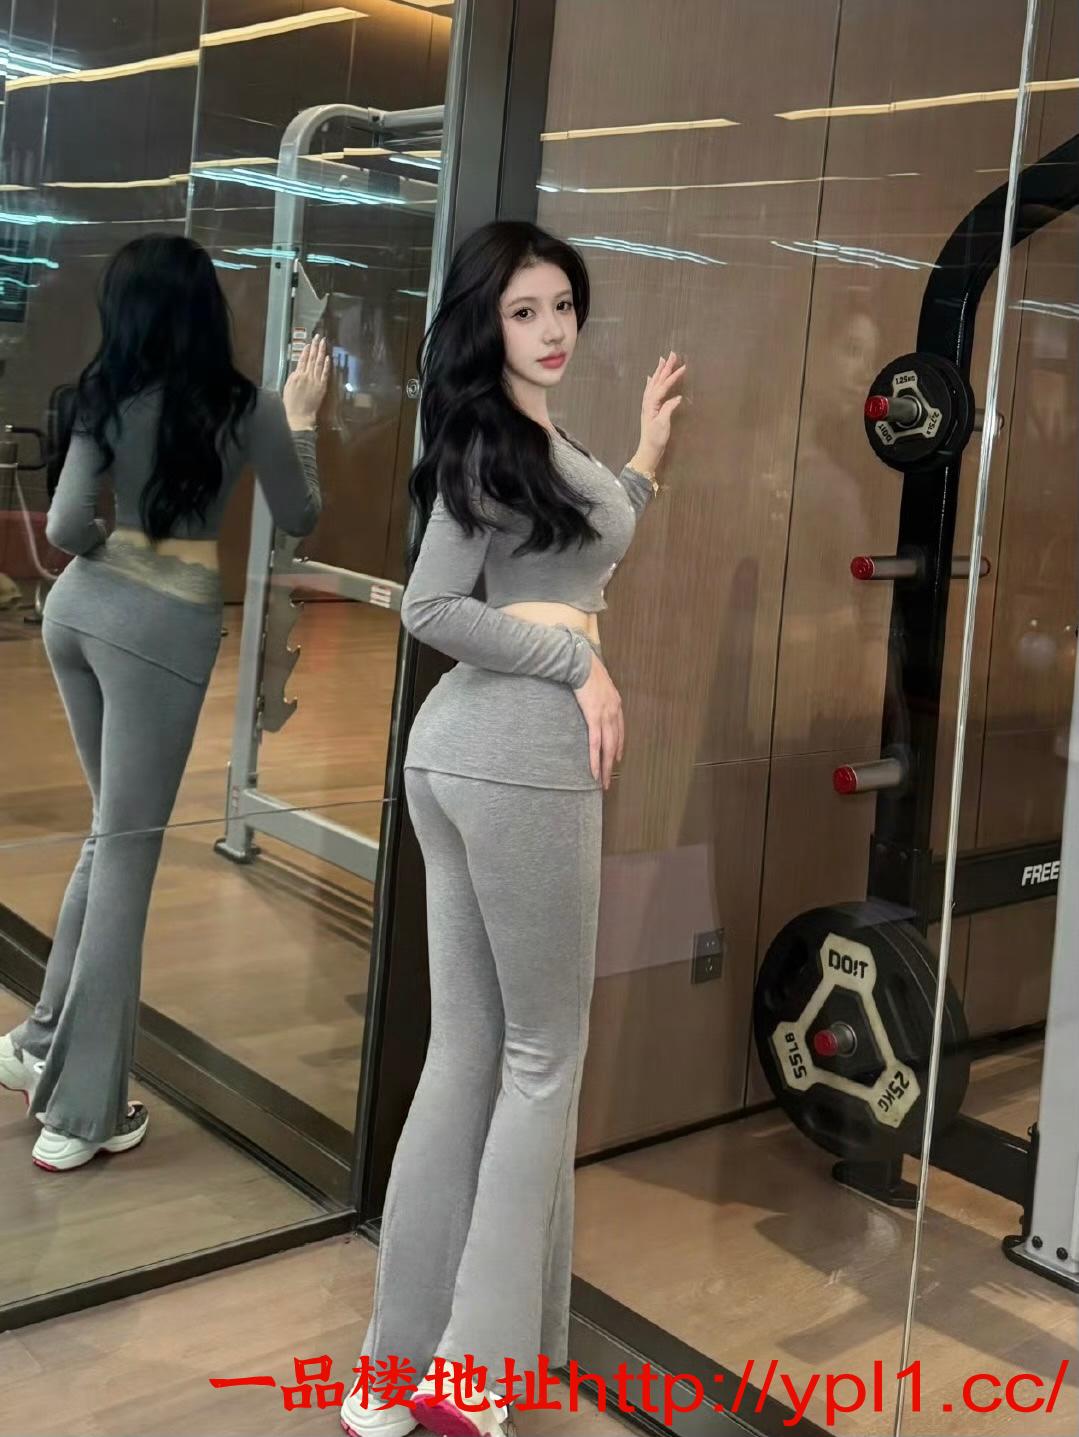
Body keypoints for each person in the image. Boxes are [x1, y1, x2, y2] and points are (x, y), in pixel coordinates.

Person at [340, 220, 685, 1437]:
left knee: (471, 1054)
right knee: (541, 1060)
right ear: (483, 325)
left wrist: (643, 457)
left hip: (459, 759)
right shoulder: (489, 440)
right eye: (522, 311)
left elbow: (582, 541)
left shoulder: (538, 447)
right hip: (516, 762)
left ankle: (392, 1376)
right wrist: (576, 668)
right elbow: (431, 608)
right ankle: (473, 1377)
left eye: (561, 307)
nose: (549, 330)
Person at [0, 234, 329, 1172]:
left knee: (112, 832)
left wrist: (116, 552)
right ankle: (82, 1113)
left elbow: (69, 526)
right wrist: (302, 420)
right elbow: (301, 515)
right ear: (205, 311)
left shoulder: (102, 394)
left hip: (76, 615)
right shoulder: (248, 406)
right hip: (162, 631)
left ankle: (38, 1044)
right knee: (130, 852)